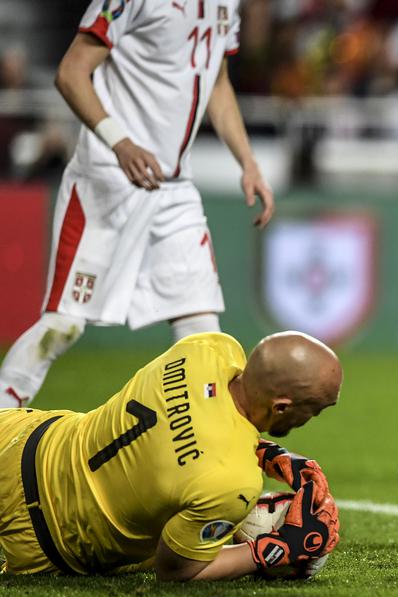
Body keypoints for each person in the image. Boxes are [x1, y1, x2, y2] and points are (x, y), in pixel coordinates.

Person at [0, 0, 275, 408]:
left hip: (175, 185)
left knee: (201, 334)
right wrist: (120, 142)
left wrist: (248, 162)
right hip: (108, 177)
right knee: (64, 325)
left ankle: (200, 458)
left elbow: (217, 84)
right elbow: (71, 73)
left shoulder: (227, 3)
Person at [0, 332, 341, 581]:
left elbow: (192, 419)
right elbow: (176, 571)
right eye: (315, 410)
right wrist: (275, 548)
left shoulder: (208, 349)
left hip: (21, 435)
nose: (312, 419)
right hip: (50, 536)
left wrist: (261, 448)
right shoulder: (233, 482)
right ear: (281, 406)